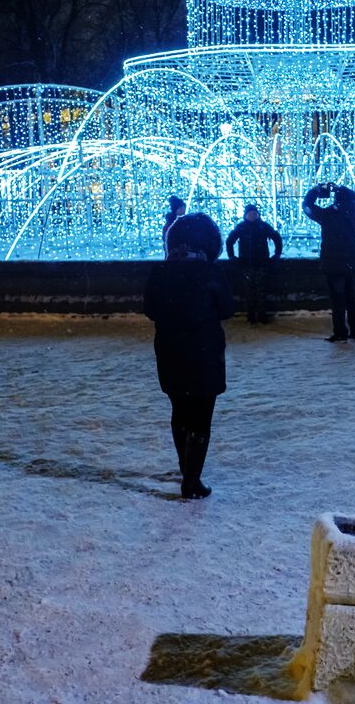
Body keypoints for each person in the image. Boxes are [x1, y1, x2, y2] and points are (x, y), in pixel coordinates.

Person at [143, 212, 234, 499]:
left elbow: (151, 310)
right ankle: (192, 481)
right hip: (204, 352)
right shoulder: (211, 273)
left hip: (171, 351)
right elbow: (227, 309)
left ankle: (186, 468)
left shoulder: (160, 272)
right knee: (201, 416)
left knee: (179, 411)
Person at [302, 181, 355, 342]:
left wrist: (316, 191)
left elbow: (307, 206)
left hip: (333, 263)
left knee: (338, 301)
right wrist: (342, 188)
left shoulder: (327, 215)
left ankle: (340, 332)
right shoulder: (354, 214)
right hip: (352, 262)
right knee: (353, 299)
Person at [226, 204, 283, 324]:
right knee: (249, 291)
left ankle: (261, 314)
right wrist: (231, 256)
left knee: (261, 290)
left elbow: (276, 238)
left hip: (260, 263)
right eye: (250, 213)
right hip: (247, 263)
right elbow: (230, 240)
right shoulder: (243, 227)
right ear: (246, 215)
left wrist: (277, 253)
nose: (252, 215)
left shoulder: (262, 226)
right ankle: (251, 314)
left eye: (254, 213)